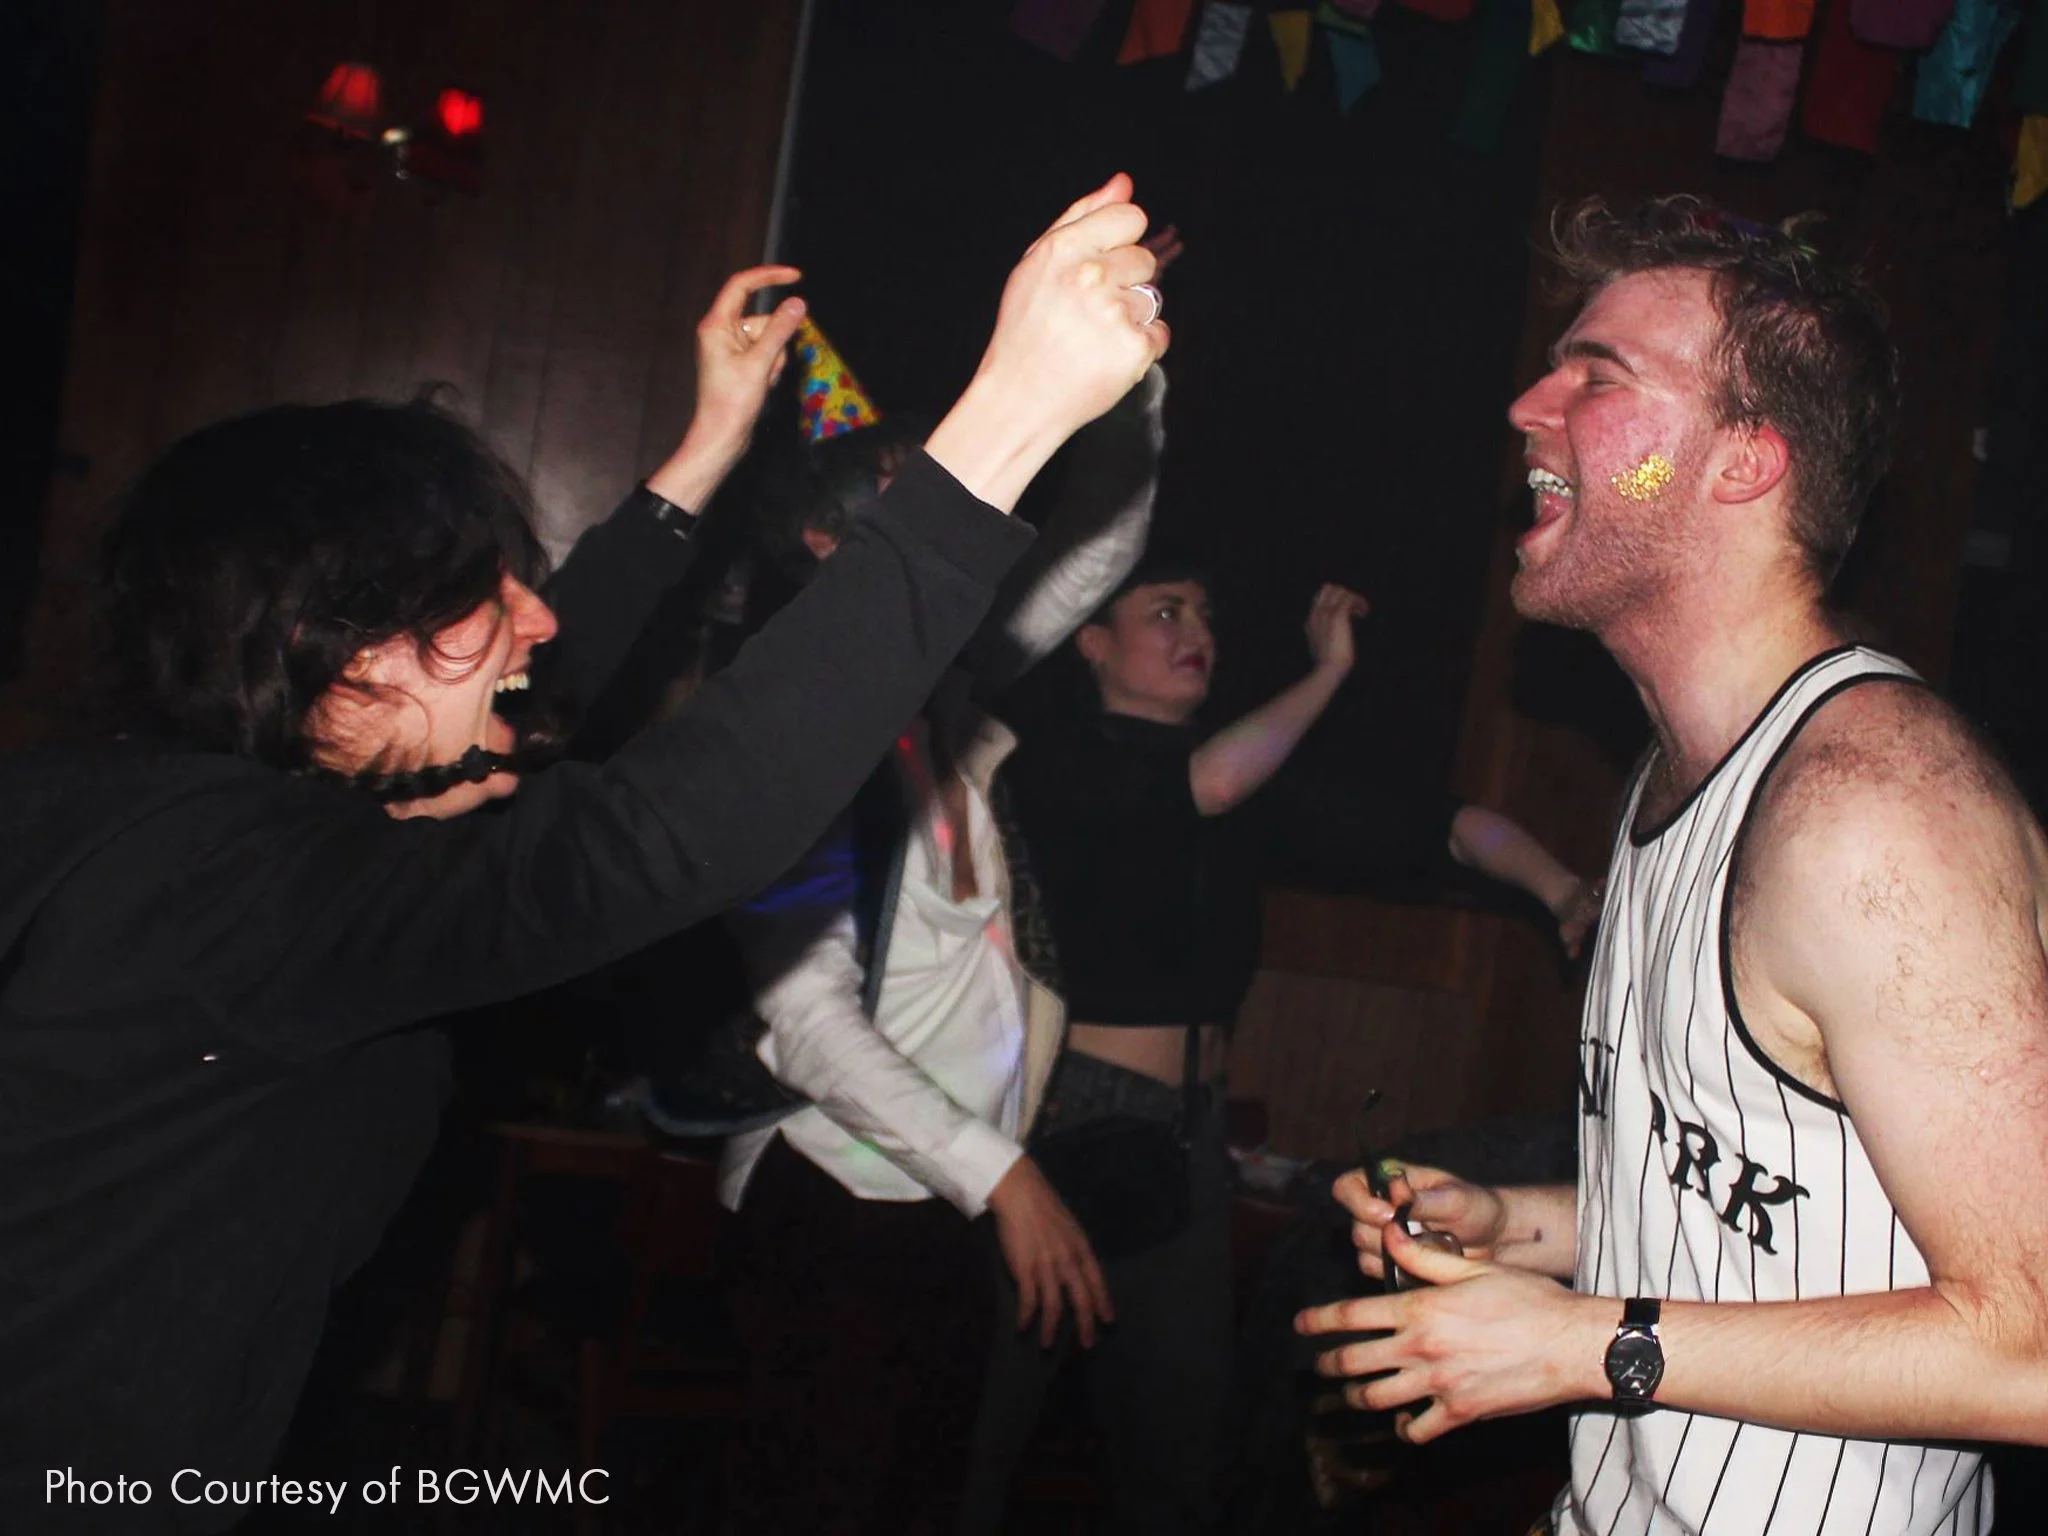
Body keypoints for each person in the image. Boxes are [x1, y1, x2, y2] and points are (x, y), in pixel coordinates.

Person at [0, 174, 1170, 1531]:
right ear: (342, 654)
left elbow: (529, 711)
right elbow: (667, 830)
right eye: (484, 597)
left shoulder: (155, 816)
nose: (537, 623)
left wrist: (702, 453)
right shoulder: (229, 893)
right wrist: (1010, 418)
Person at [1298, 195, 2048, 1535]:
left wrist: (1584, 1346)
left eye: (1599, 376)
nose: (1531, 403)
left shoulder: (1875, 813)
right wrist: (1518, 1225)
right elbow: (1756, 1211)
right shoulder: (1677, 770)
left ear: (1744, 464)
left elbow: (2033, 1348)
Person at [959, 555, 1597, 1534]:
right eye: (1162, 611)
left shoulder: (1245, 779)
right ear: (1092, 643)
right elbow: (1202, 786)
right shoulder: (1054, 764)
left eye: (1203, 611)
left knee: (1181, 1449)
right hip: (1058, 1133)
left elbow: (1444, 828)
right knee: (978, 1436)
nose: (1192, 629)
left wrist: (1558, 889)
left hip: (1184, 1142)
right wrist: (1328, 672)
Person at [712, 365, 1165, 1535]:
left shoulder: (945, 702)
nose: (948, 525)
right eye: (906, 500)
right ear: (825, 547)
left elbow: (1094, 556)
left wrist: (1130, 378)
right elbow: (804, 1026)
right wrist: (1004, 1177)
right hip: (835, 1201)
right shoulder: (791, 737)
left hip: (945, 1210)